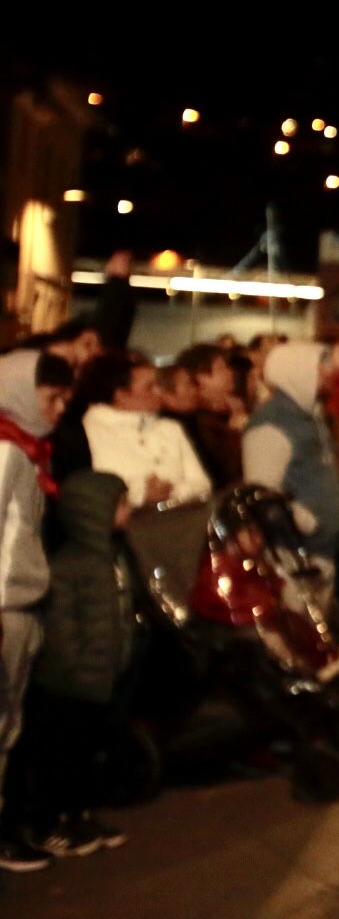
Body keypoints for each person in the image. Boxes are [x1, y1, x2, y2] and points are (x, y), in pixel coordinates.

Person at [27, 469, 135, 858]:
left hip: (103, 677)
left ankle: (79, 814)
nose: (130, 509)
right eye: (121, 504)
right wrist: (74, 667)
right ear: (93, 512)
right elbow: (60, 627)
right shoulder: (70, 565)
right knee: (60, 757)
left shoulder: (115, 556)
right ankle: (50, 823)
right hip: (71, 684)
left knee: (86, 756)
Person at [0, 351, 70, 872]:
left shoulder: (29, 450)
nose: (62, 406)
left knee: (9, 729)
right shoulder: (7, 451)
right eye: (53, 396)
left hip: (21, 603)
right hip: (5, 607)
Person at [244, 343, 339, 580]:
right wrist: (309, 524)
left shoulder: (310, 418)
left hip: (320, 551)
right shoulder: (272, 424)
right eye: (321, 370)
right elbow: (262, 492)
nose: (329, 377)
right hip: (295, 556)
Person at [80, 351, 213, 509]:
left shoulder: (170, 428)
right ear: (121, 395)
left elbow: (203, 484)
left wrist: (172, 491)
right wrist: (140, 493)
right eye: (149, 387)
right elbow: (98, 492)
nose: (159, 392)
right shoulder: (90, 432)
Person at [174, 343, 245, 486]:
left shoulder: (233, 410)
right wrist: (236, 434)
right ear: (199, 378)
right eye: (220, 368)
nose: (229, 372)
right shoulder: (196, 423)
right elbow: (226, 472)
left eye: (227, 367)